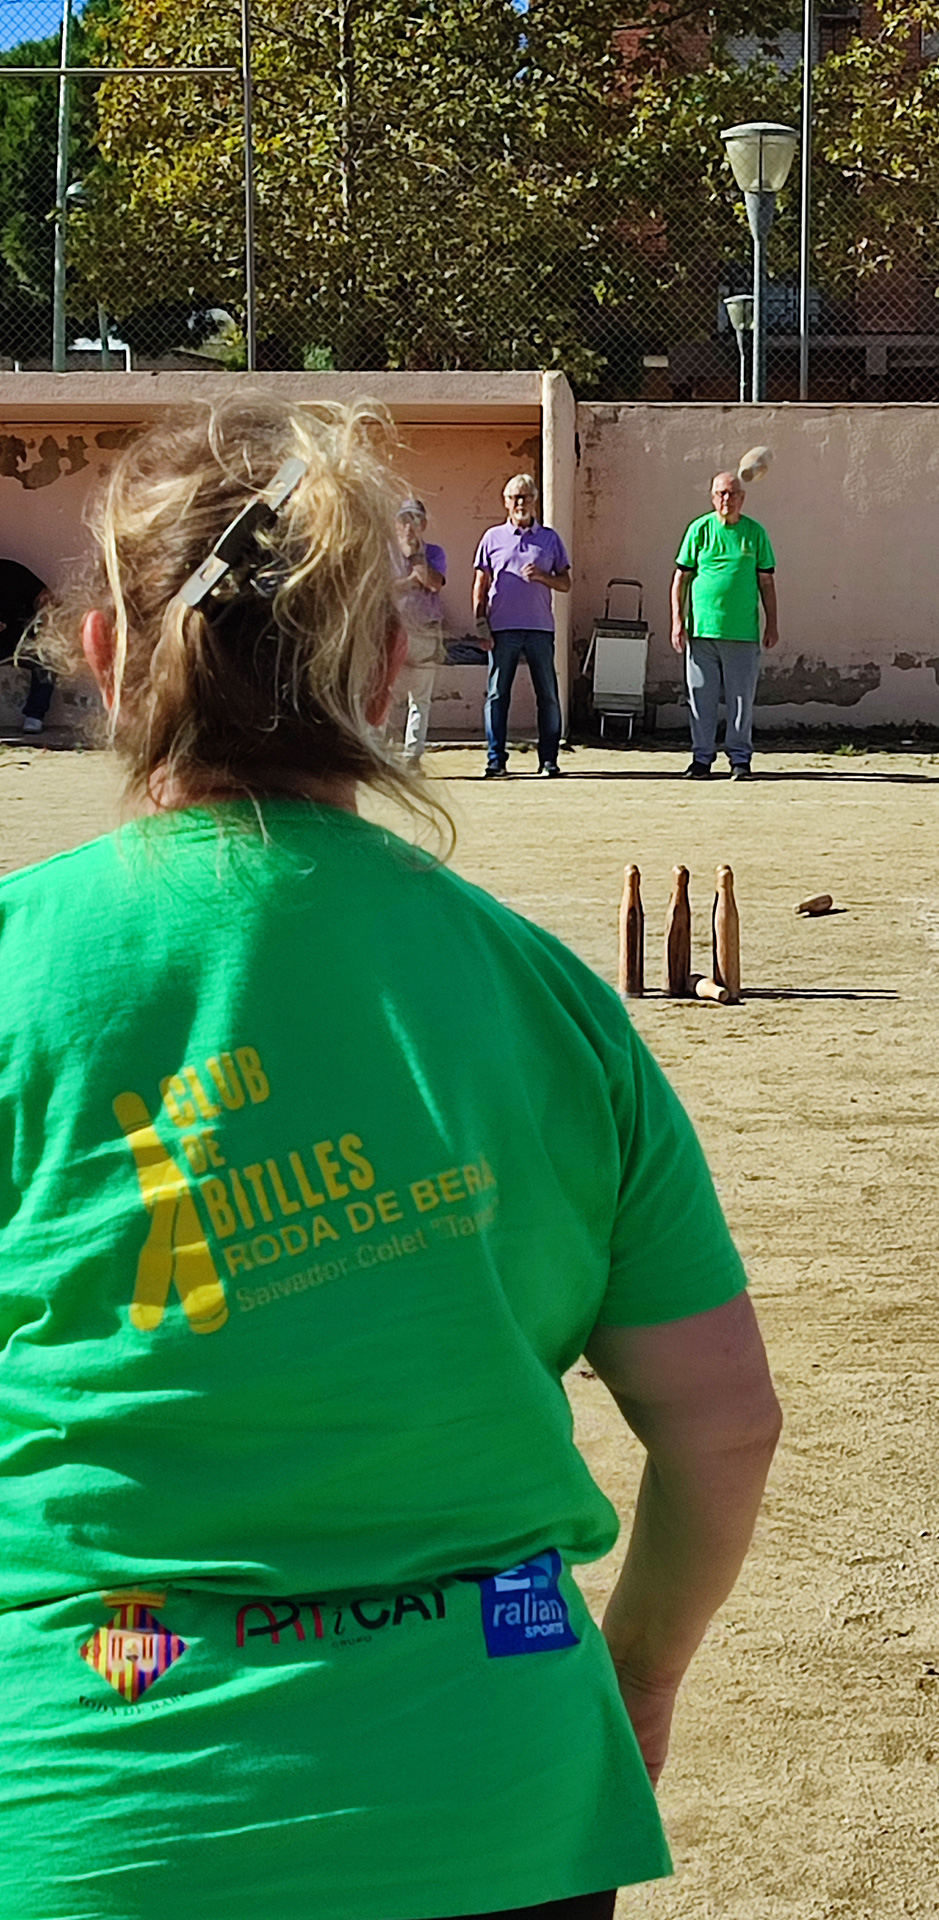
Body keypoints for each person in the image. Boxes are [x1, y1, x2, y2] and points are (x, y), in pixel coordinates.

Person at [0, 398, 781, 1920]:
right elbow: (723, 1428)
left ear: (104, 660)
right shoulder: (544, 997)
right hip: (496, 1787)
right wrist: (638, 1672)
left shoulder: (18, 967)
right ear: (383, 670)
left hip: (95, 1807)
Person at [670, 471, 778, 782]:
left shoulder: (755, 533)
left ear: (742, 498)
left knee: (741, 700)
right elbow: (681, 578)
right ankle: (701, 759)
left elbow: (766, 582)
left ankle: (740, 760)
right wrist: (678, 620)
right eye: (720, 493)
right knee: (700, 698)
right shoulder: (699, 530)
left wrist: (773, 623)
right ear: (712, 496)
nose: (726, 499)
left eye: (732, 493)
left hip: (742, 632)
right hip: (702, 631)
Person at [473, 474, 570, 778]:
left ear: (534, 500)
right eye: (514, 498)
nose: (520, 503)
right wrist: (480, 622)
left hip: (540, 628)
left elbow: (566, 582)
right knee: (498, 695)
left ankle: (549, 760)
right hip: (502, 629)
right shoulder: (492, 538)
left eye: (525, 497)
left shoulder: (550, 539)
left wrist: (543, 576)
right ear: (505, 502)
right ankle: (495, 761)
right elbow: (481, 582)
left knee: (548, 695)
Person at [392, 496, 447, 763]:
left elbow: (432, 583)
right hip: (394, 632)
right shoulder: (388, 555)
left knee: (420, 700)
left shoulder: (434, 553)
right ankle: (381, 758)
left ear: (423, 524)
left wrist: (416, 556)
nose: (409, 526)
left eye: (415, 520)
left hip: (424, 632)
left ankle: (411, 758)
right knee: (385, 696)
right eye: (404, 520)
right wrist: (411, 582)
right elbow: (384, 589)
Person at [0, 554, 55, 734]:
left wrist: (44, 624)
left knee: (47, 660)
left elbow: (45, 596)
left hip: (23, 638)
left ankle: (34, 716)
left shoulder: (11, 571)